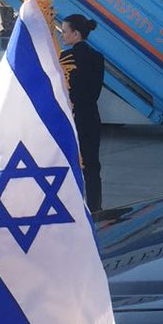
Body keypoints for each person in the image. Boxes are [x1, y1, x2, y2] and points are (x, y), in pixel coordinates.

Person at [59, 14, 105, 212]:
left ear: (76, 34)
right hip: (91, 116)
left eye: (64, 32)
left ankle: (71, 208)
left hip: (71, 117)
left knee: (68, 164)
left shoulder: (65, 58)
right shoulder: (97, 57)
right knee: (92, 166)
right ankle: (95, 208)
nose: (62, 35)